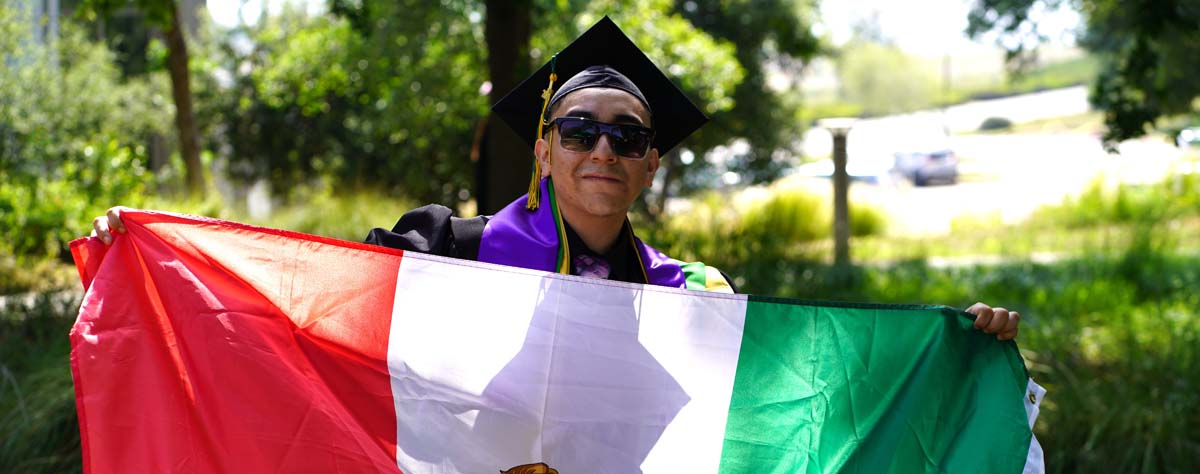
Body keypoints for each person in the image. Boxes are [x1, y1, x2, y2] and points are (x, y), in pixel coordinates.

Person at [92, 17, 1020, 339]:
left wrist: (953, 342)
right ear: (543, 151)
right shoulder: (444, 253)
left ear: (651, 165)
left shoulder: (691, 297)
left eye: (628, 137)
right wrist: (158, 267)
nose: (602, 150)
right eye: (578, 129)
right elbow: (307, 312)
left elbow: (799, 392)